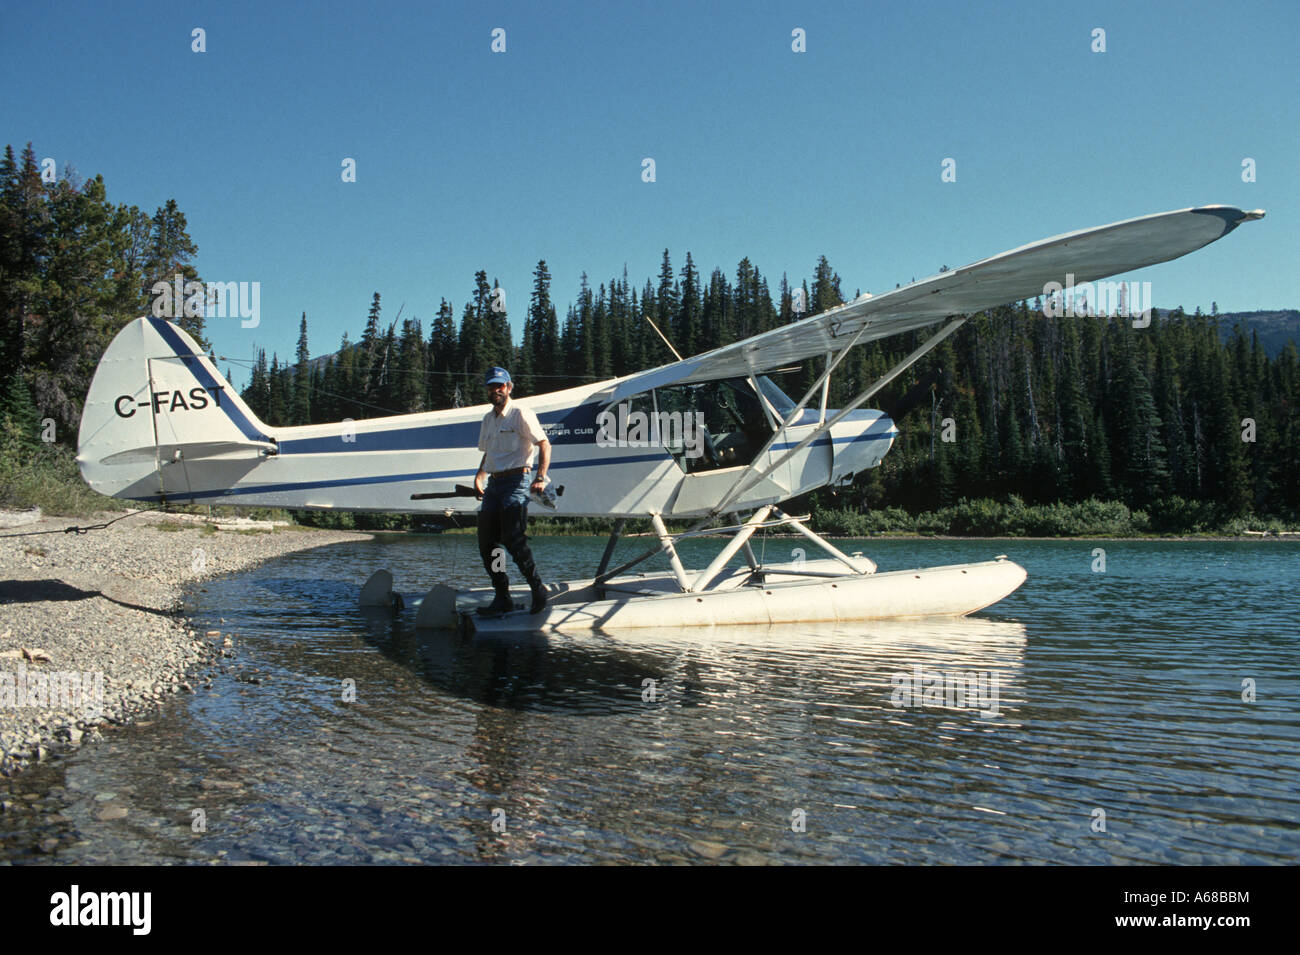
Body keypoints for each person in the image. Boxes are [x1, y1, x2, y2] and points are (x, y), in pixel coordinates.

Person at [474, 366, 550, 615]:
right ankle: (502, 595)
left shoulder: (520, 413)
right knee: (488, 543)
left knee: (513, 539)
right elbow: (489, 452)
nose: (495, 390)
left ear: (508, 387)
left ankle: (538, 589)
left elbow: (543, 443)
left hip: (518, 481)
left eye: (500, 385)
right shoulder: (488, 419)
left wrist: (540, 477)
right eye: (491, 386)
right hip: (494, 484)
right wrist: (480, 475)